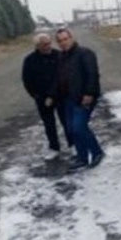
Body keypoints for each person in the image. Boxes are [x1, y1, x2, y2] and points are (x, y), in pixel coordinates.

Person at [46, 28, 104, 171]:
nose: (63, 43)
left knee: (79, 127)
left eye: (66, 39)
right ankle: (82, 157)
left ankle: (97, 152)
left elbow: (92, 74)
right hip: (67, 99)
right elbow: (58, 79)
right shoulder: (61, 57)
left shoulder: (85, 53)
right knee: (71, 129)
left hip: (83, 98)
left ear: (71, 38)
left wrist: (89, 93)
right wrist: (51, 95)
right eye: (60, 41)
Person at [22, 33, 72, 160]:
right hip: (42, 98)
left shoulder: (58, 56)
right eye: (44, 44)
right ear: (37, 46)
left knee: (67, 122)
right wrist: (36, 96)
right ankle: (54, 147)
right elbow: (27, 80)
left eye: (49, 43)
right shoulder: (30, 60)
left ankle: (72, 144)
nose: (48, 46)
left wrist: (55, 94)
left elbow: (64, 76)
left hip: (60, 96)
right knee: (49, 124)